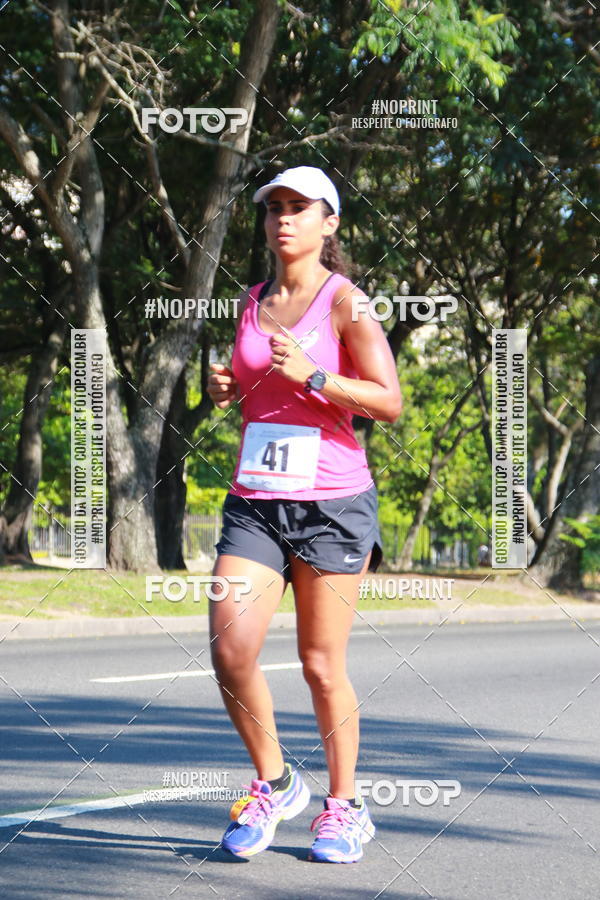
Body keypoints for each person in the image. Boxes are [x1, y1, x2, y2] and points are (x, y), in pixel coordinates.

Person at [206, 165, 402, 863]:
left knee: (321, 664)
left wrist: (316, 376)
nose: (283, 219)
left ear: (330, 223)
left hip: (332, 505)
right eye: (274, 209)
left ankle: (345, 808)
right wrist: (227, 385)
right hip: (257, 499)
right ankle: (276, 781)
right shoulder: (252, 299)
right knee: (231, 649)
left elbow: (387, 399)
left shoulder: (349, 304)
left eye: (299, 208)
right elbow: (254, 386)